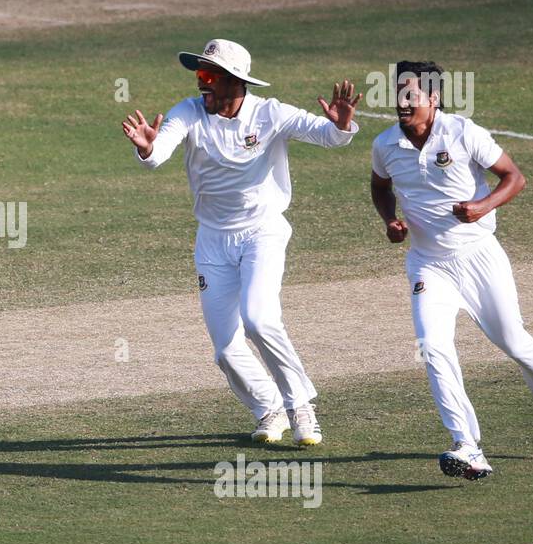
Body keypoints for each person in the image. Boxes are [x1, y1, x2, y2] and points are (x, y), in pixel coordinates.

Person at [122, 38, 360, 445]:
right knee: (226, 350)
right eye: (200, 74)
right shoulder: (190, 112)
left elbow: (328, 136)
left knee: (259, 318)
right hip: (212, 241)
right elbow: (158, 152)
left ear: (236, 82)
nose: (202, 83)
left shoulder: (270, 114)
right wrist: (148, 149)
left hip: (262, 232)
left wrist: (339, 126)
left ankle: (300, 404)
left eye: (210, 75)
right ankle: (268, 409)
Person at [369, 61, 533, 480]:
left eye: (412, 95)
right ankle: (467, 444)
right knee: (433, 347)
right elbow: (379, 186)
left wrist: (482, 207)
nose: (402, 103)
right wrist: (390, 221)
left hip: (480, 256)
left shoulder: (464, 133)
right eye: (398, 94)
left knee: (513, 341)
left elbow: (514, 177)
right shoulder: (386, 144)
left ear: (434, 98)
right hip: (429, 264)